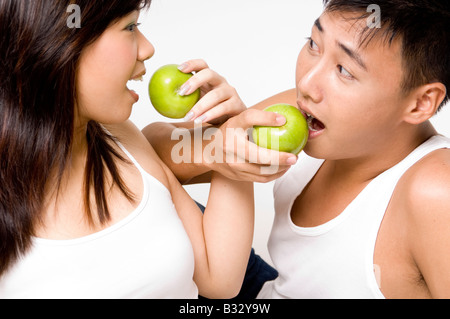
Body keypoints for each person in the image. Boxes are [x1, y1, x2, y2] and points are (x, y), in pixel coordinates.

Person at [143, 0, 450, 298]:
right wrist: (225, 136)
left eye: (345, 70)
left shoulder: (436, 192)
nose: (306, 82)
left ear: (421, 102)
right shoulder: (310, 114)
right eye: (314, 44)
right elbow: (147, 155)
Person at [0, 0, 256, 299]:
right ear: (63, 41)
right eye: (130, 26)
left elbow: (218, 280)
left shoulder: (120, 137)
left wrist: (232, 133)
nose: (148, 49)